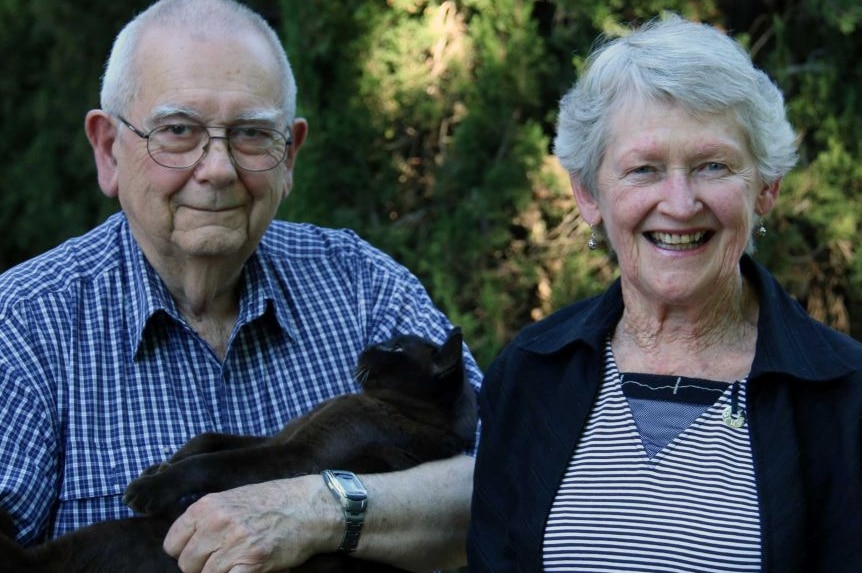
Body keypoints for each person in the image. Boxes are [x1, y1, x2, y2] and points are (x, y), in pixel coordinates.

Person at [0, 0, 482, 571]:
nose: (219, 168)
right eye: (178, 131)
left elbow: (500, 478)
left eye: (252, 134)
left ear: (290, 157)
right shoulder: (26, 323)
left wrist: (320, 509)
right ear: (108, 149)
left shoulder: (360, 283)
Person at [468, 14, 861, 573]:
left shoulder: (843, 399)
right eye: (644, 169)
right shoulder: (530, 375)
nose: (679, 203)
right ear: (588, 194)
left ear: (766, 188)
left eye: (713, 166)